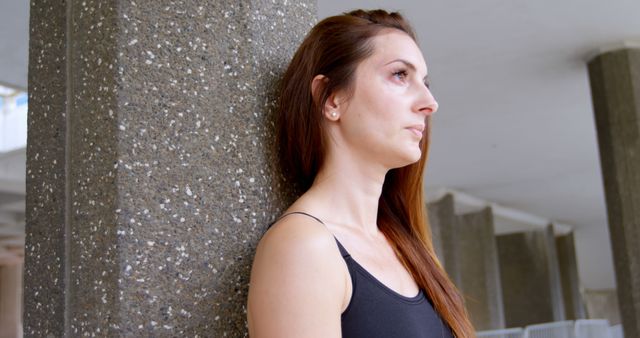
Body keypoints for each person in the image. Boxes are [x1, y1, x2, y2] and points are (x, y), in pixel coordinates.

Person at [247, 9, 475, 338]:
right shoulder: (304, 247)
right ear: (332, 98)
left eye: (425, 83)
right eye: (400, 75)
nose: (429, 102)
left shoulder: (404, 245)